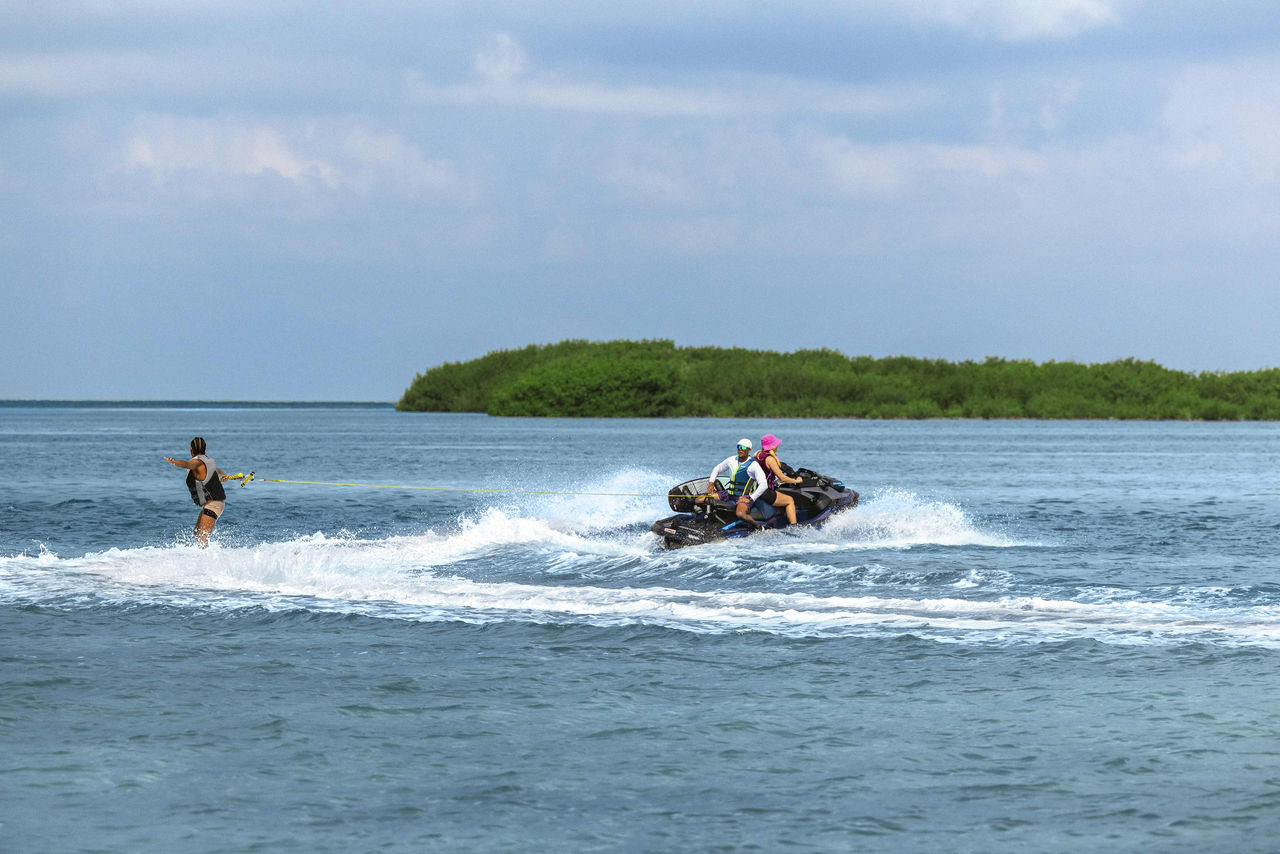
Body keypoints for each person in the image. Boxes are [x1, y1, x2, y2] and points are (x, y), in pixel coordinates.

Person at [164, 437, 232, 547]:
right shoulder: (207, 461)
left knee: (202, 537)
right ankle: (205, 556)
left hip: (214, 504)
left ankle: (209, 561)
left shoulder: (197, 463)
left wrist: (174, 462)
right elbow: (216, 470)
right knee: (197, 533)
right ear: (204, 448)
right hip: (213, 503)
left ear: (191, 449)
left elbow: (187, 464)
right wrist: (224, 475)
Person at [705, 438, 773, 528]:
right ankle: (705, 518)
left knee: (740, 514)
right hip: (729, 494)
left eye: (743, 447)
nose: (740, 449)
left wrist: (751, 498)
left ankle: (758, 526)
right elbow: (717, 468)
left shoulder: (753, 465)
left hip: (744, 497)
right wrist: (711, 483)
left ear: (749, 450)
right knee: (701, 499)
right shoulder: (731, 460)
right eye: (738, 447)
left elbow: (764, 484)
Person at [754, 433, 801, 525]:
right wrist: (796, 481)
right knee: (789, 500)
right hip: (766, 491)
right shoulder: (770, 459)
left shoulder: (757, 455)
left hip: (758, 489)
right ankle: (794, 526)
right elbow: (782, 478)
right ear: (772, 446)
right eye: (775, 444)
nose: (777, 446)